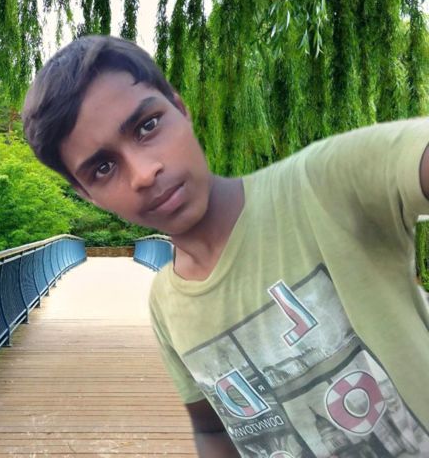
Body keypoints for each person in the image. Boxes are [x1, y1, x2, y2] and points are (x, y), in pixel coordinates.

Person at [22, 35, 429, 457]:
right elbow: (212, 429)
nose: (143, 173)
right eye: (104, 168)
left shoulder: (321, 183)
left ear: (180, 108)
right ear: (87, 195)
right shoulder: (165, 303)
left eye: (148, 126)